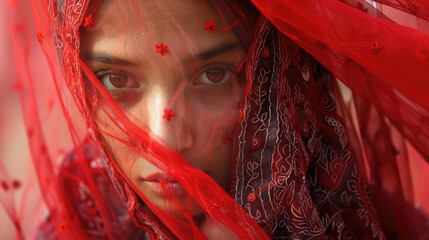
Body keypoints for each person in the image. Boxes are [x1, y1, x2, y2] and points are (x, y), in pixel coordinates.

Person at [6, 0, 429, 239]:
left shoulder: (378, 228)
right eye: (115, 79)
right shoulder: (80, 219)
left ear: (283, 75)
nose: (166, 138)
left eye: (214, 74)